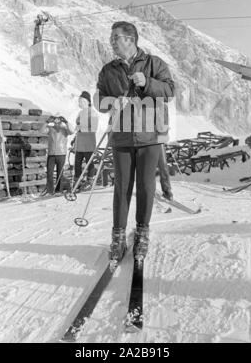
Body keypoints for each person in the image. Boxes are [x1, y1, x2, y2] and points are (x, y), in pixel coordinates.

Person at [94, 21, 175, 263]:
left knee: (146, 187)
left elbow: (170, 91)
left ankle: (142, 233)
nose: (112, 41)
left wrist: (147, 83)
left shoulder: (154, 63)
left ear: (130, 39)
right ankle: (118, 236)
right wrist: (111, 102)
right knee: (122, 188)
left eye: (116, 37)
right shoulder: (108, 70)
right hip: (121, 137)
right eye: (112, 38)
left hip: (149, 137)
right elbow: (99, 100)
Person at [40, 115, 73, 196]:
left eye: (59, 118)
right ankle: (50, 190)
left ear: (61, 120)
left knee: (60, 173)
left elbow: (72, 131)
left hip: (61, 154)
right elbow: (41, 131)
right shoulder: (50, 128)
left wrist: (67, 122)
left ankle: (59, 190)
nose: (57, 120)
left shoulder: (65, 129)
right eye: (55, 118)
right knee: (49, 173)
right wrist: (47, 122)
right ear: (53, 120)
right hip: (51, 154)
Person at [74, 91, 99, 191]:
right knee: (77, 162)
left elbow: (94, 128)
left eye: (82, 101)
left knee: (89, 162)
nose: (80, 103)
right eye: (79, 101)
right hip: (80, 142)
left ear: (87, 102)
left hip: (88, 141)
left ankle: (90, 180)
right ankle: (78, 180)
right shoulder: (80, 113)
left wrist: (81, 128)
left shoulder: (92, 112)